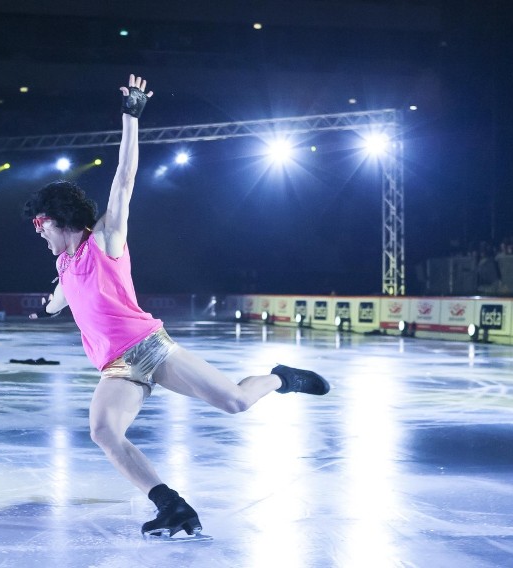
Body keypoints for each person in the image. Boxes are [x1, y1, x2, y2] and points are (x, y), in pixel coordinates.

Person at [23, 74, 330, 540]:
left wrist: (131, 117)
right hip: (116, 367)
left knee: (235, 402)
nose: (38, 236)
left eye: (38, 227)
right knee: (104, 431)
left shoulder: (103, 240)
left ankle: (282, 377)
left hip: (150, 348)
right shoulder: (65, 266)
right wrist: (44, 309)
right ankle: (173, 506)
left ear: (52, 220)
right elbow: (58, 301)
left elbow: (124, 181)